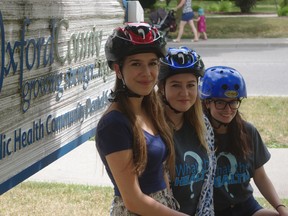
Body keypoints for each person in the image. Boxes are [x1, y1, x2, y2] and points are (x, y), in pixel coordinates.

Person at [95, 23, 188, 216]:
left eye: (152, 63)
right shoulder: (114, 125)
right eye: (136, 64)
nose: (147, 73)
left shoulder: (150, 109)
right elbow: (134, 201)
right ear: (118, 70)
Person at [199, 66, 288, 216]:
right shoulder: (198, 135)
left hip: (246, 206)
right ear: (207, 103)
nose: (228, 109)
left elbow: (260, 176)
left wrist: (280, 208)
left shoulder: (248, 131)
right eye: (220, 102)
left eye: (233, 102)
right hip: (214, 210)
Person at [157, 46, 216, 215]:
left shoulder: (203, 125)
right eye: (176, 85)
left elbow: (207, 189)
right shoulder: (153, 130)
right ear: (161, 87)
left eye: (191, 85)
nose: (185, 93)